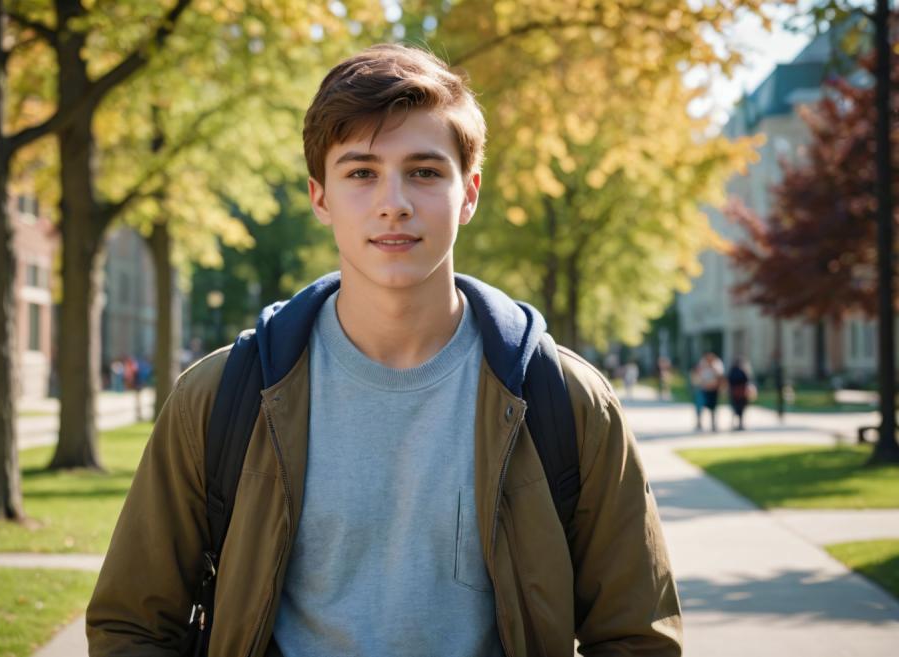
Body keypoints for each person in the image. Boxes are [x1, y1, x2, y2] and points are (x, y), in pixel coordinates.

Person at [86, 44, 682, 656]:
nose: (393, 201)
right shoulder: (219, 398)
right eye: (361, 172)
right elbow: (132, 626)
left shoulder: (568, 401)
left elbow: (637, 637)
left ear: (469, 193)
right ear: (320, 197)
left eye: (424, 171)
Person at [695, 352, 725, 432]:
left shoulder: (717, 364)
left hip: (713, 389)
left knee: (713, 408)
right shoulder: (702, 363)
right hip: (704, 389)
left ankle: (713, 424)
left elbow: (720, 376)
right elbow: (698, 375)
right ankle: (699, 422)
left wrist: (712, 367)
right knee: (700, 406)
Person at [727, 356, 755, 430]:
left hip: (738, 393)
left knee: (737, 409)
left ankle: (738, 423)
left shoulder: (734, 370)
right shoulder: (742, 371)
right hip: (739, 392)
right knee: (739, 409)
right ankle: (739, 424)